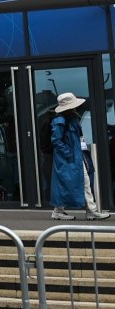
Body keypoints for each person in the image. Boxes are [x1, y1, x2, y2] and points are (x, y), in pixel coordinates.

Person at [50, 93, 110, 221]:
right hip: (70, 157)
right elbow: (56, 140)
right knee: (83, 181)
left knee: (67, 183)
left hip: (72, 156)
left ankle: (59, 211)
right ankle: (91, 211)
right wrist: (69, 154)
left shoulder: (68, 119)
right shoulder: (62, 121)